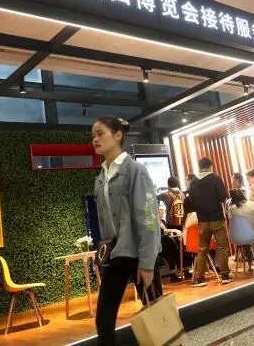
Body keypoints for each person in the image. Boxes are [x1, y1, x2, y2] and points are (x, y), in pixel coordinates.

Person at [92, 116, 161, 345]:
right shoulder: (101, 177)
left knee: (157, 316)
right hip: (116, 254)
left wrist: (147, 263)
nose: (95, 139)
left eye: (100, 133)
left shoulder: (135, 171)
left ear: (118, 135)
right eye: (93, 135)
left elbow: (148, 218)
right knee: (104, 319)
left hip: (140, 253)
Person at [187, 157, 232, 286]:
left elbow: (191, 200)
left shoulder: (193, 182)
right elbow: (222, 196)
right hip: (216, 217)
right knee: (222, 247)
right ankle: (225, 275)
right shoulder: (215, 179)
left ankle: (200, 278)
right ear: (210, 166)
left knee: (202, 249)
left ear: (199, 167)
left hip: (202, 219)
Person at [227, 189, 254, 270]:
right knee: (249, 237)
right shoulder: (253, 204)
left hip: (237, 237)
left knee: (244, 239)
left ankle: (249, 262)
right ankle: (253, 260)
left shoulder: (231, 209)